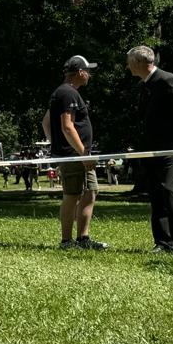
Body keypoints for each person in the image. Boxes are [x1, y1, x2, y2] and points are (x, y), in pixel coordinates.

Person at [126, 45, 173, 254]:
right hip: (151, 149)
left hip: (172, 148)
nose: (127, 66)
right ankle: (164, 242)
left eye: (129, 62)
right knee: (156, 194)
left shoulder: (167, 80)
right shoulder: (143, 85)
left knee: (171, 191)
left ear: (140, 63)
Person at [49, 55, 107, 251]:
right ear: (80, 72)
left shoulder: (64, 92)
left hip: (76, 153)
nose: (89, 75)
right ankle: (66, 242)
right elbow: (67, 127)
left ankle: (83, 239)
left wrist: (55, 144)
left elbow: (46, 122)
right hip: (76, 154)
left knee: (90, 191)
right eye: (88, 71)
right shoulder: (67, 93)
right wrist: (83, 154)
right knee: (72, 195)